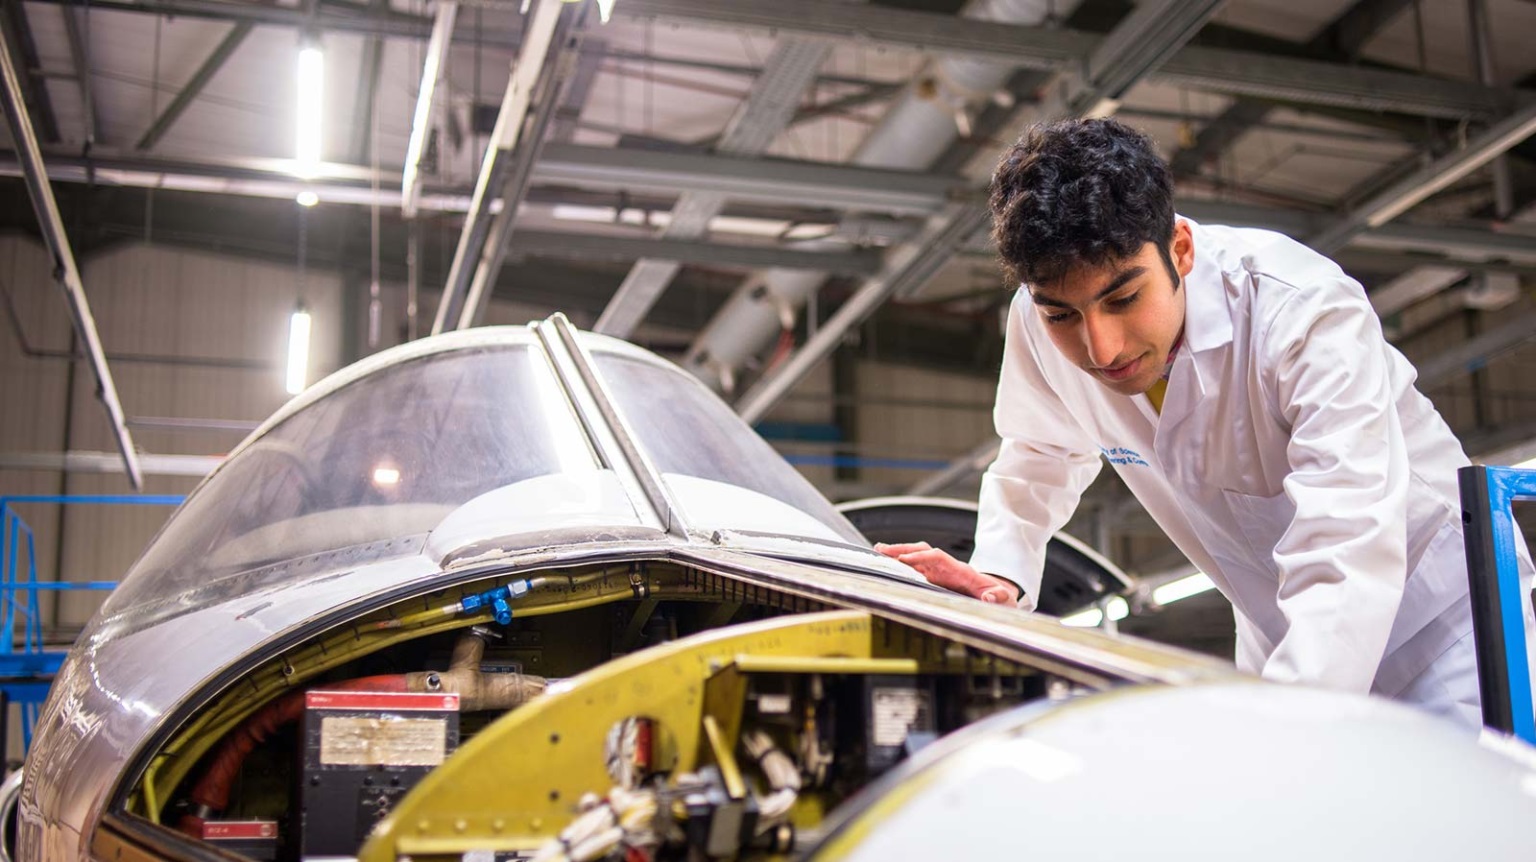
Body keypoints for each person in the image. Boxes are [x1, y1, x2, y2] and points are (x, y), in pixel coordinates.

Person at [876, 118, 1534, 732]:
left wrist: (1285, 723)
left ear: (1181, 249)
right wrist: (1002, 573)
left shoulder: (1303, 311)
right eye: (1062, 315)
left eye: (1124, 297)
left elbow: (1348, 540)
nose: (1101, 349)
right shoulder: (1037, 317)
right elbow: (1037, 453)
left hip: (1447, 630)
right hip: (1278, 633)